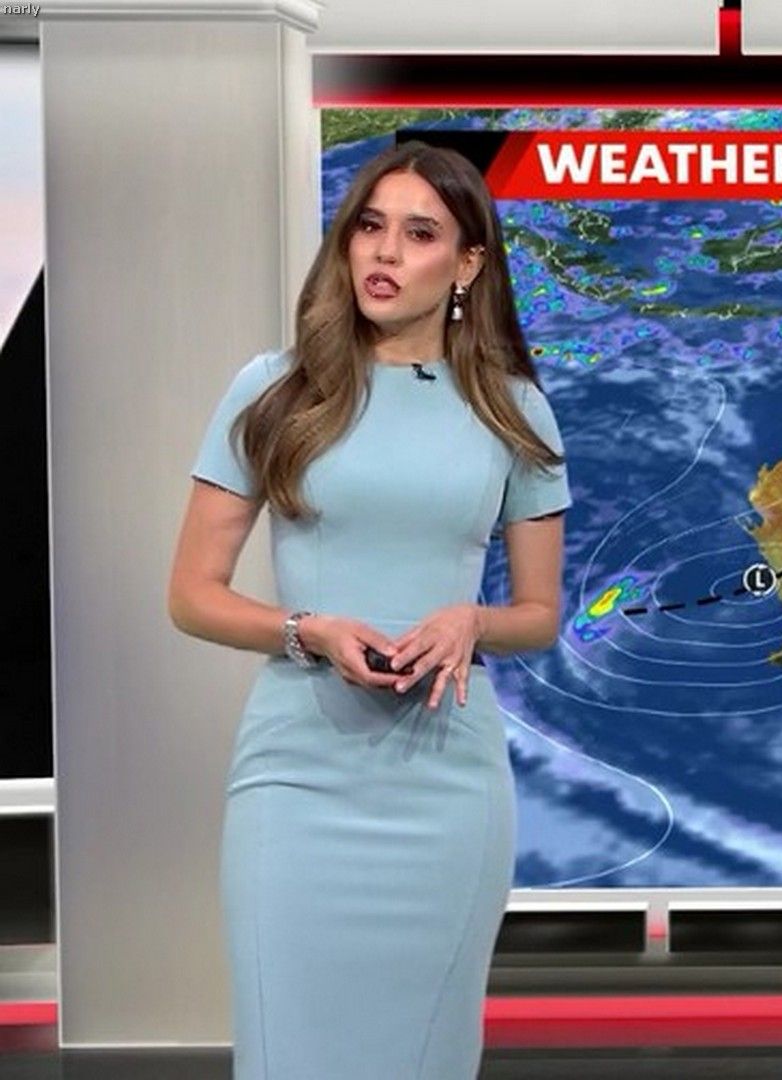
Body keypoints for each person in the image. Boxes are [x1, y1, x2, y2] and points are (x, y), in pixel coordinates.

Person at [166, 139, 571, 1078]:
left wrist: (473, 620)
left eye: (420, 234)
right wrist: (307, 631)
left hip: (446, 777)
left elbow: (539, 613)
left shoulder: (513, 410)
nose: (385, 252)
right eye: (370, 227)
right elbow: (190, 595)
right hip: (298, 777)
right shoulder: (275, 390)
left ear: (468, 264)